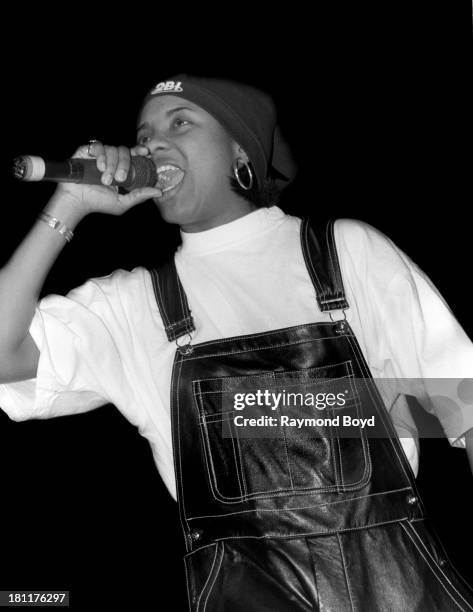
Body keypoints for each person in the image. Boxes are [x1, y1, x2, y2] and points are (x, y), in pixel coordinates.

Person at [0, 74, 472, 611]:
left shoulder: (346, 252)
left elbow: (463, 402)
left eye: (180, 122)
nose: (151, 142)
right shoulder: (131, 306)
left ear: (240, 149)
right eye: (144, 132)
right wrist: (69, 205)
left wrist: (266, 409)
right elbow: (2, 357)